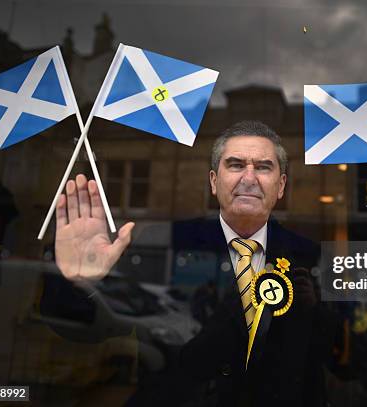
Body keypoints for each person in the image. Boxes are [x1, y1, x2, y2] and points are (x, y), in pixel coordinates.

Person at [51, 120, 344, 406]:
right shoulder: (164, 240)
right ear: (214, 182)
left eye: (264, 167)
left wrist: (314, 312)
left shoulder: (309, 256)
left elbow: (346, 363)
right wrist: (81, 281)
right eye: (236, 164)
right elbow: (97, 333)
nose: (250, 178)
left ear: (280, 186)